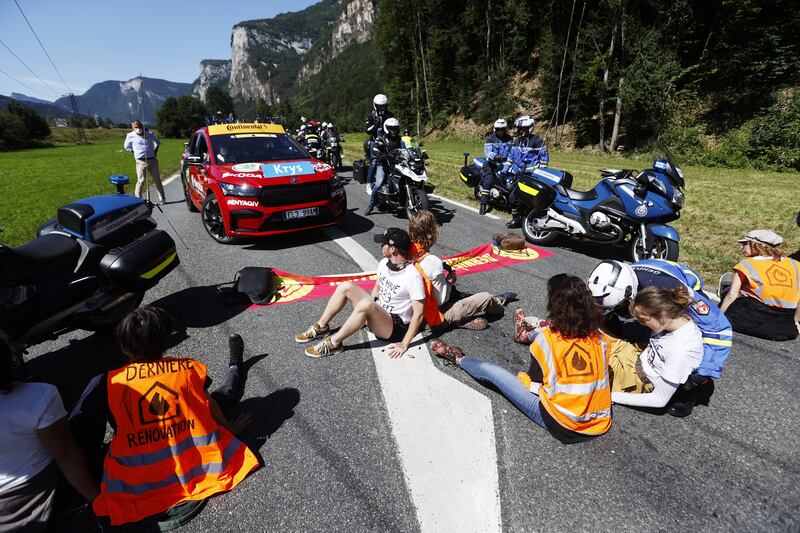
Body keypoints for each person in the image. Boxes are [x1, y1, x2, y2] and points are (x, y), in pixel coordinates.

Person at [70, 306, 259, 528]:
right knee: (222, 395)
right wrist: (227, 431)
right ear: (166, 341)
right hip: (195, 468)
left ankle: (236, 364)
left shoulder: (109, 383)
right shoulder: (187, 370)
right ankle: (235, 365)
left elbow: (81, 437)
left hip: (139, 483)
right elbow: (210, 405)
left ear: (123, 346)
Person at [429, 274, 612, 443]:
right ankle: (525, 333)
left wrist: (524, 378)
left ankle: (458, 358)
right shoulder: (601, 338)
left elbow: (531, 382)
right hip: (599, 423)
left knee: (495, 373)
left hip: (562, 423)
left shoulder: (547, 340)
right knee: (548, 339)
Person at [584, 259, 731, 416]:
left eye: (619, 306)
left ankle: (689, 390)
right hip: (656, 315)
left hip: (687, 289)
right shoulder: (623, 277)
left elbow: (719, 329)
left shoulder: (673, 292)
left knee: (692, 359)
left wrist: (704, 370)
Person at [0, 332, 99, 532]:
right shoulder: (39, 396)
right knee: (96, 389)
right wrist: (99, 502)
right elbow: (66, 455)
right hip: (28, 496)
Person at [295, 228, 425, 359]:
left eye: (384, 243)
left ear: (392, 249)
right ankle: (322, 327)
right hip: (379, 314)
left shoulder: (412, 276)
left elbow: (418, 314)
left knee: (365, 304)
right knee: (345, 287)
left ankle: (334, 343)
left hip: (394, 327)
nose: (381, 246)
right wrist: (368, 313)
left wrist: (404, 344)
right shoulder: (384, 263)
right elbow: (377, 289)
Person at [407, 210, 517, 331]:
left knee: (458, 295)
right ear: (432, 232)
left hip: (408, 312)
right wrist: (449, 281)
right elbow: (441, 300)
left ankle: (463, 314)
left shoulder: (405, 252)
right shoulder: (432, 261)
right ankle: (498, 302)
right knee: (485, 298)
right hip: (429, 317)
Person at [609, 286, 705, 410]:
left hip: (637, 379)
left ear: (661, 315)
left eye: (643, 320)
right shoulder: (674, 321)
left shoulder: (681, 351)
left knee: (586, 374)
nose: (640, 323)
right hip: (635, 356)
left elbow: (658, 400)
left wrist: (611, 396)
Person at [719, 229, 800, 341]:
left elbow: (731, 296)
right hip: (784, 327)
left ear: (757, 245)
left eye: (745, 244)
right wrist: (795, 321)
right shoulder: (795, 265)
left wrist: (718, 317)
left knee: (729, 292)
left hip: (753, 318)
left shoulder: (747, 264)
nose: (741, 247)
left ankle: (723, 291)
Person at [506, 116, 549, 228]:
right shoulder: (517, 141)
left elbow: (544, 159)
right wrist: (505, 170)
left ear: (530, 128)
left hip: (532, 176)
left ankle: (527, 217)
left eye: (524, 128)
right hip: (519, 175)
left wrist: (540, 173)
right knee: (512, 196)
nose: (521, 131)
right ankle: (516, 219)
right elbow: (511, 157)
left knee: (528, 198)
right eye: (520, 129)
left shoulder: (538, 141)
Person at [365, 117, 404, 216]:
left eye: (395, 128)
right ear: (387, 128)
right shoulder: (381, 138)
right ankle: (371, 204)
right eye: (391, 128)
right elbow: (375, 148)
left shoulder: (400, 139)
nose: (393, 130)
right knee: (378, 183)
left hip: (397, 164)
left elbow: (406, 148)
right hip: (383, 164)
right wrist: (381, 154)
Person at [124, 120, 165, 204]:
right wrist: (134, 151)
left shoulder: (149, 134)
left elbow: (157, 142)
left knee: (157, 179)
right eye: (135, 127)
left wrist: (155, 150)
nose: (138, 128)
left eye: (139, 126)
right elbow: (126, 147)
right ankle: (137, 200)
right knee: (141, 180)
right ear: (132, 127)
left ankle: (162, 198)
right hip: (140, 161)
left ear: (142, 126)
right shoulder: (130, 136)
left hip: (152, 160)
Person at [479, 119, 513, 215]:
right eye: (498, 129)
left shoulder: (509, 139)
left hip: (506, 164)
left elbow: (511, 152)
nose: (500, 131)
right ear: (495, 129)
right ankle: (483, 205)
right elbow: (488, 153)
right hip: (492, 164)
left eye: (502, 129)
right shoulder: (490, 139)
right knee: (488, 181)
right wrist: (495, 156)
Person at [365, 94, 395, 195]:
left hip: (388, 141)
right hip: (375, 141)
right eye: (379, 106)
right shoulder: (371, 115)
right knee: (374, 162)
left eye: (384, 106)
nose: (382, 108)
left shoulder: (390, 115)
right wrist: (377, 123)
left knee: (395, 159)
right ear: (375, 105)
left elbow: (395, 127)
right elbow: (368, 130)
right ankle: (368, 184)